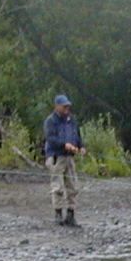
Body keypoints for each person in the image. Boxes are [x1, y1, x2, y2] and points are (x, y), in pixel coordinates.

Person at [42, 94, 85, 228]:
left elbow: (77, 135)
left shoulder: (72, 120)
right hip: (56, 157)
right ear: (57, 106)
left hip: (69, 158)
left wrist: (81, 147)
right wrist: (64, 145)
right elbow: (50, 139)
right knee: (57, 187)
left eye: (68, 106)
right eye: (64, 106)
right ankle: (58, 215)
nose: (67, 108)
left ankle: (71, 216)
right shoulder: (50, 121)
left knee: (73, 186)